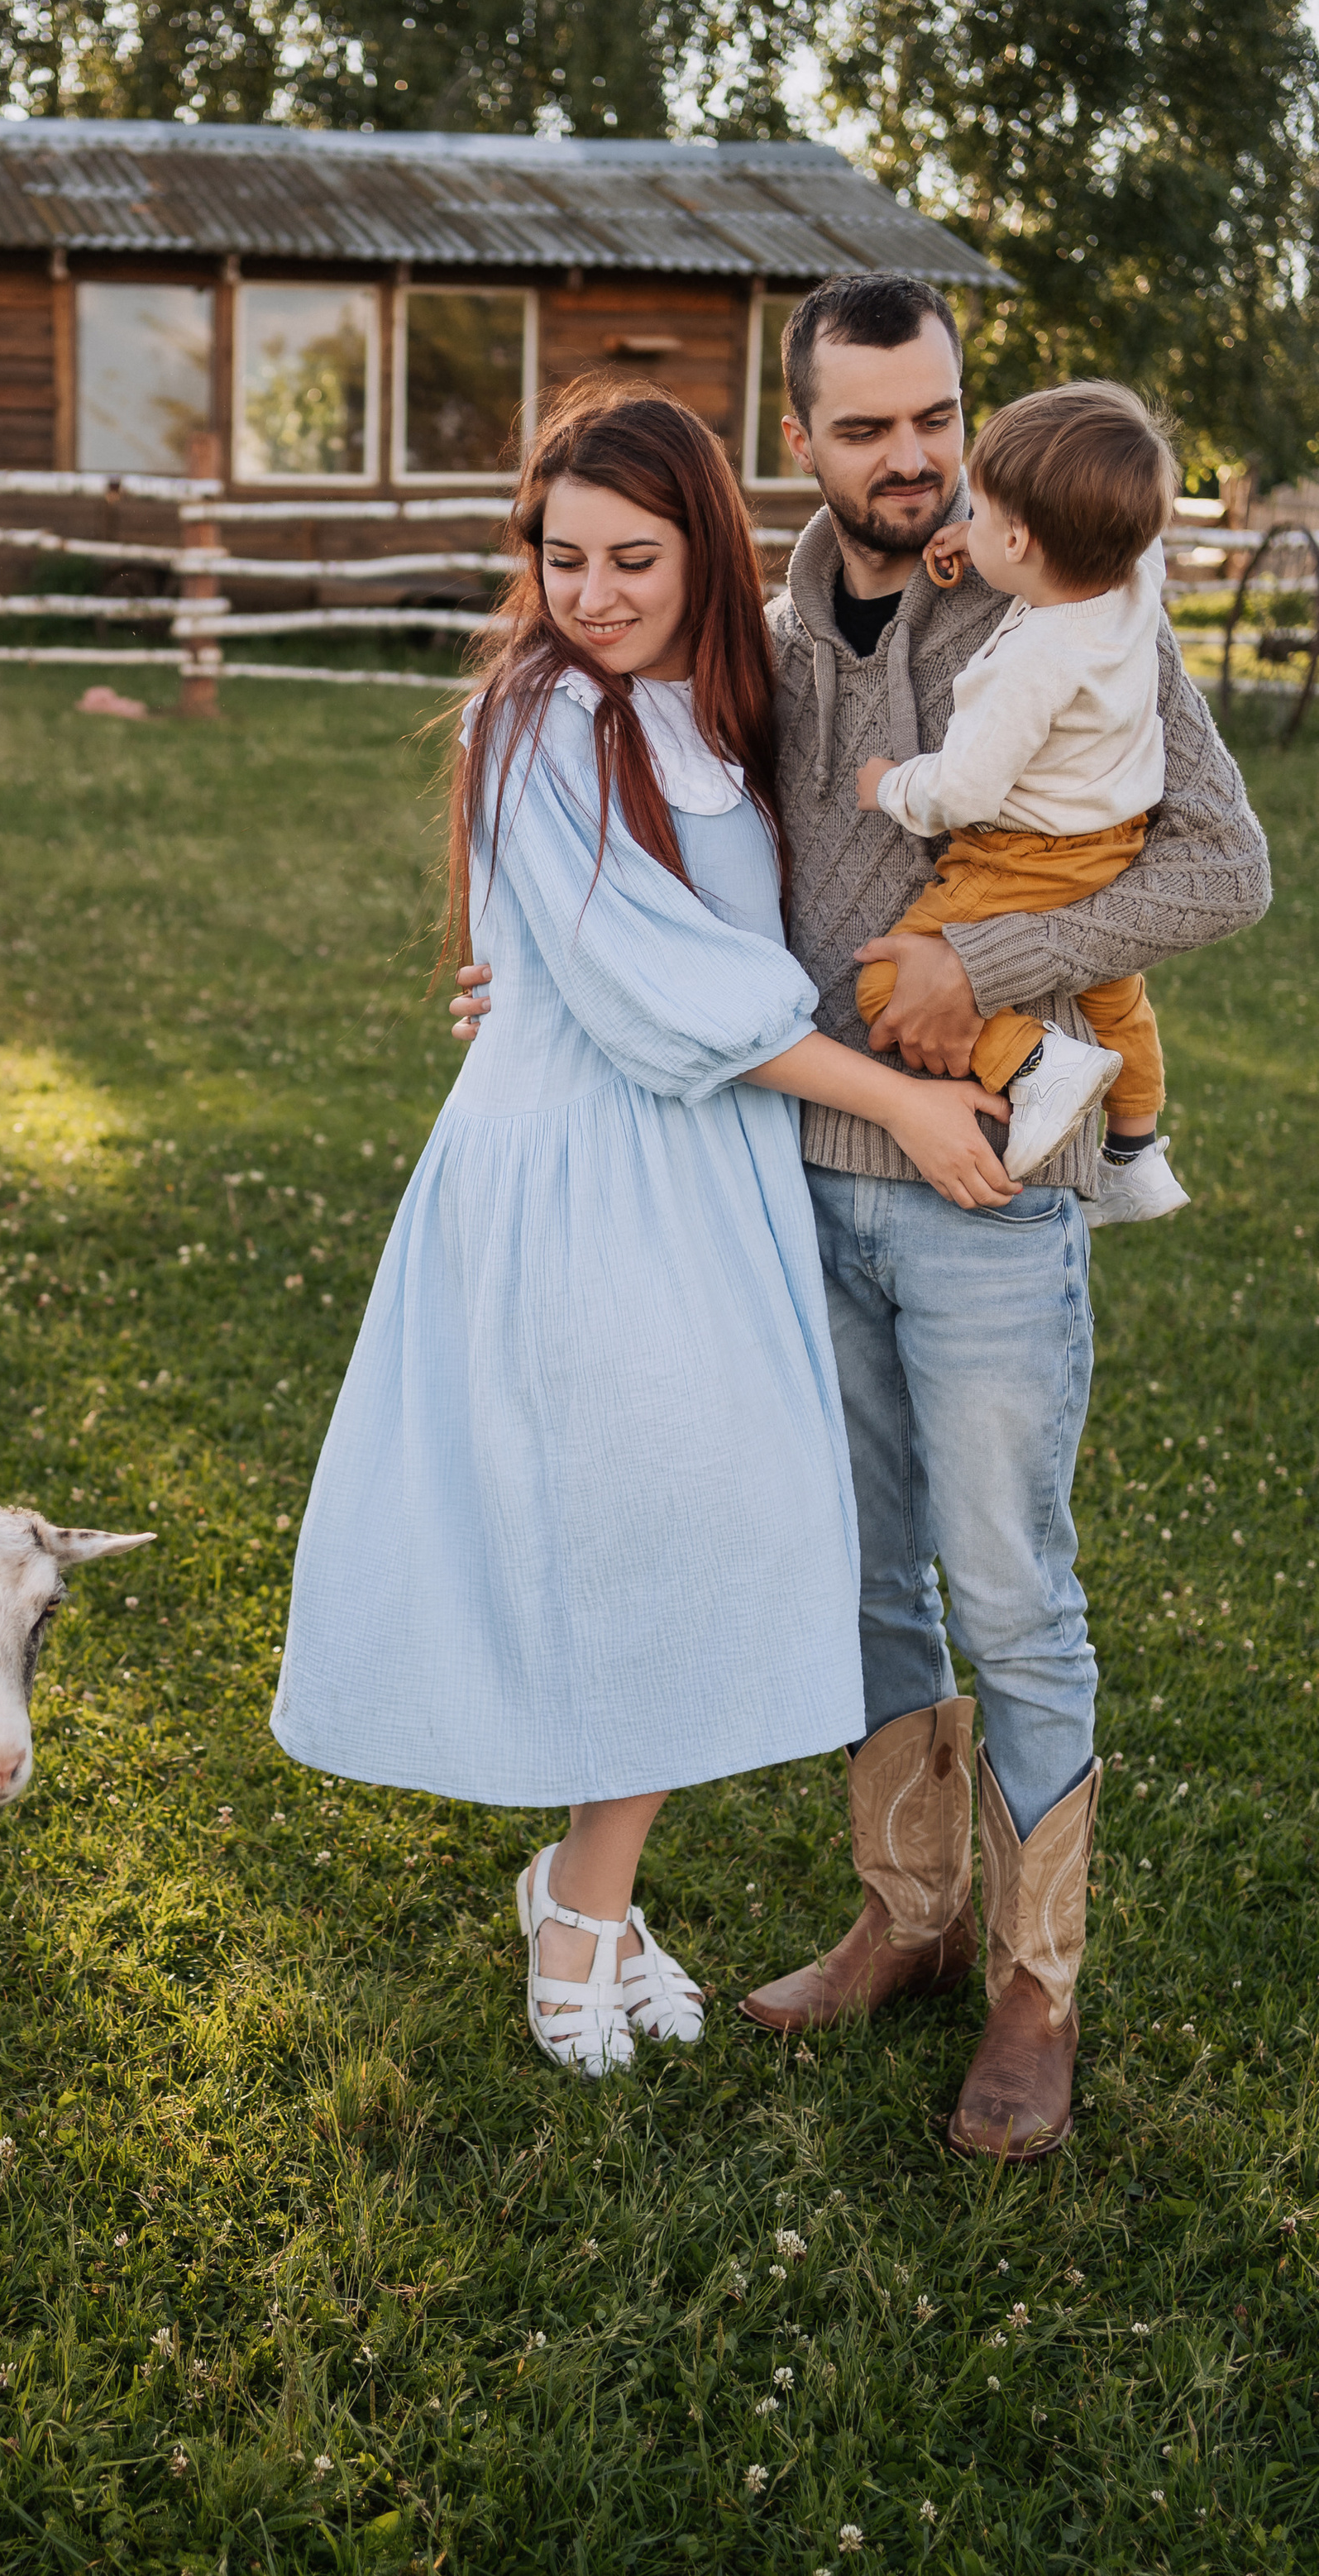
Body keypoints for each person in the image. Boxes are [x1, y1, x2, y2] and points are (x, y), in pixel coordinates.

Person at [453, 275, 1269, 2157]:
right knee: (858, 1570)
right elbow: (631, 835)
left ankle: (1032, 1975)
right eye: (863, 428)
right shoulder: (748, 627)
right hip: (768, 1185)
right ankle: (902, 1915)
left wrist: (982, 951)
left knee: (1004, 1580)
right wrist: (540, 978)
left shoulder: (1064, 589)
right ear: (799, 440)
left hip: (979, 1174)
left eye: (933, 418)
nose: (908, 458)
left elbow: (1219, 866)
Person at [273, 380, 1019, 2082]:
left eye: (630, 557)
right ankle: (581, 1908)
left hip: (711, 1168)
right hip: (581, 1164)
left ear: (703, 555)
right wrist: (899, 1097)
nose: (590, 593)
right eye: (558, 559)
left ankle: (585, 1887)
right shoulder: (538, 716)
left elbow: (911, 605)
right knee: (638, 1522)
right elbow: (653, 987)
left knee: (695, 1524)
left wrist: (976, 534)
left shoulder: (723, 689)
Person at [853, 380, 1187, 1224]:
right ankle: (1136, 1152)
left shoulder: (1031, 659)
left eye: (983, 508)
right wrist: (982, 538)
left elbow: (962, 788)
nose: (965, 521)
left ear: (1022, 538)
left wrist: (888, 782)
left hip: (1021, 855)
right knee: (1115, 997)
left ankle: (1041, 1066)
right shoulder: (1132, 586)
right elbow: (1118, 534)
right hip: (1113, 840)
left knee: (886, 978)